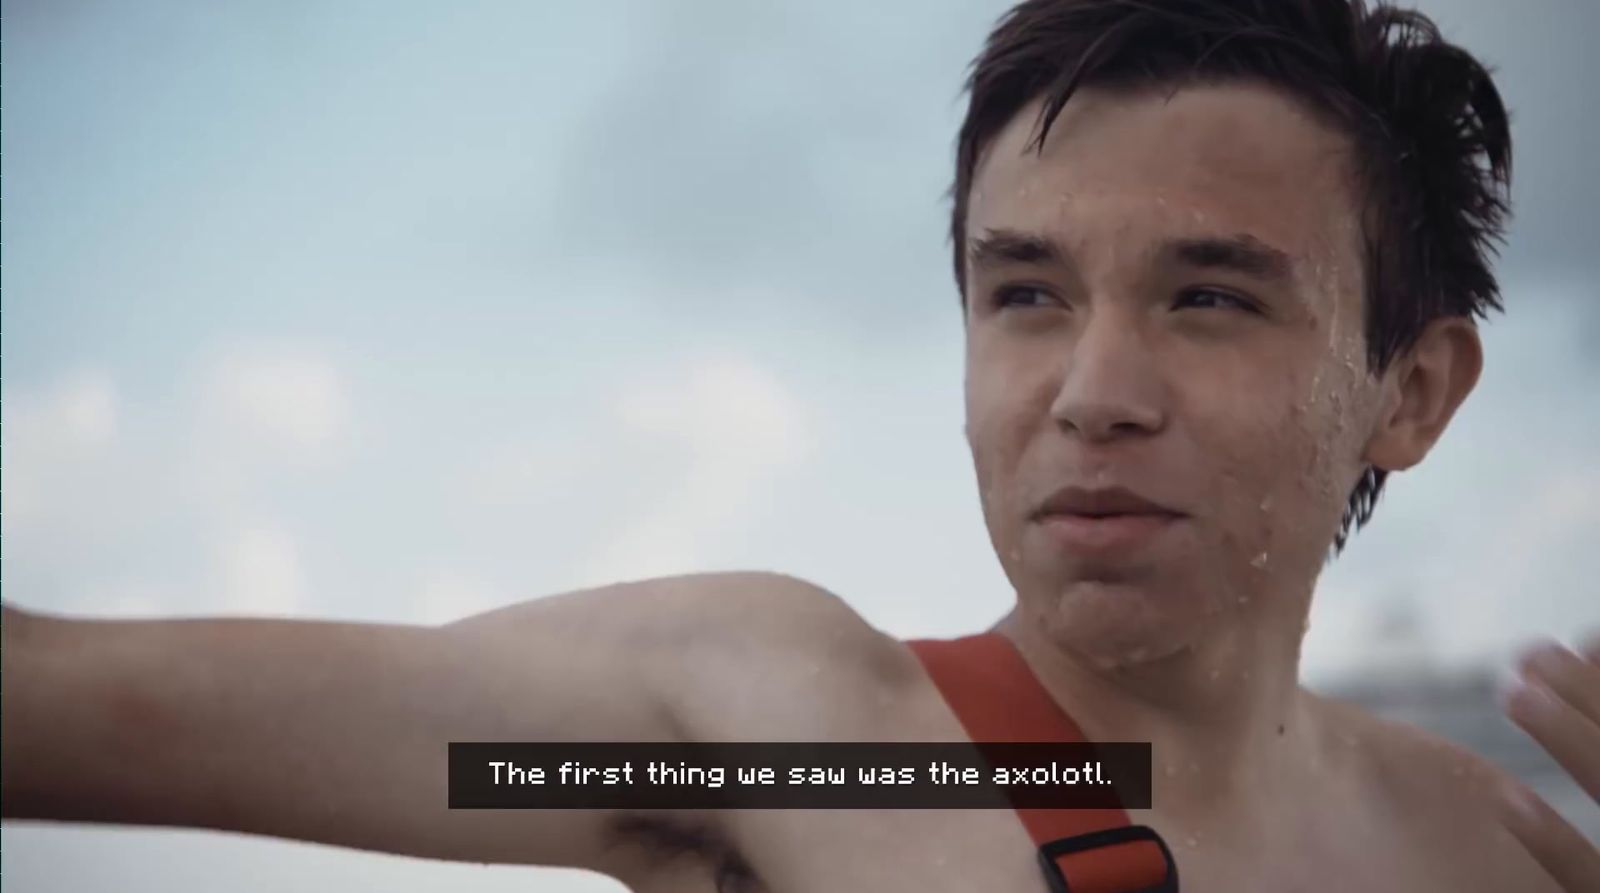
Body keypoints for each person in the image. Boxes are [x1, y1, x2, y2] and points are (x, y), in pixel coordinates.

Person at [4, 0, 1597, 890]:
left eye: (1211, 297)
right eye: (1025, 290)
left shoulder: (1495, 850)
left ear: (1413, 390)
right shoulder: (778, 736)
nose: (1092, 388)